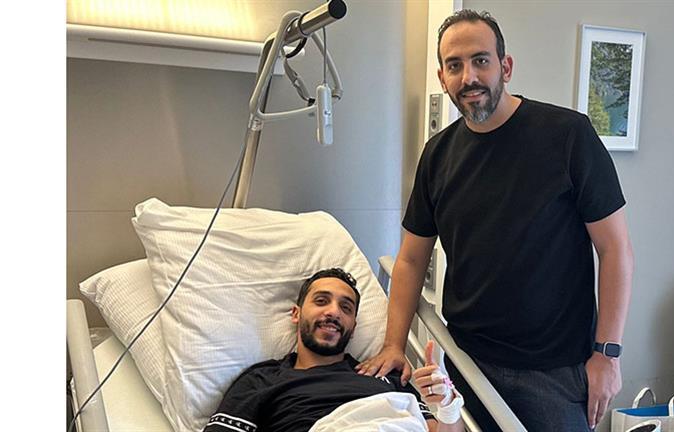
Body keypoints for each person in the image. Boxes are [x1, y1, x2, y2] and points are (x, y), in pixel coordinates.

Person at [356, 9, 634, 432]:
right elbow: (410, 260)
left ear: (505, 67)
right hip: (467, 363)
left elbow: (615, 250)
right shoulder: (437, 155)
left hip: (554, 372)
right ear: (442, 77)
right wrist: (394, 344)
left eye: (480, 60)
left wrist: (607, 355)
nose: (469, 76)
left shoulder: (567, 136)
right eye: (455, 65)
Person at [204, 268, 465, 432]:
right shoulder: (262, 380)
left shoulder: (385, 374)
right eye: (321, 301)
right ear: (296, 314)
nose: (333, 312)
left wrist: (447, 405)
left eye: (346, 308)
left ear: (353, 326)